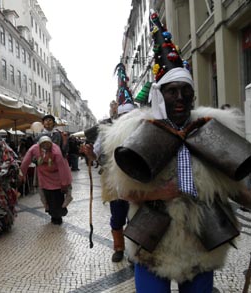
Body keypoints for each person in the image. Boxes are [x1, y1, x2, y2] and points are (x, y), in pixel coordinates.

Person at [100, 10, 251, 292]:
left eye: (185, 91)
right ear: (160, 94)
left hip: (201, 239)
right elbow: (124, 192)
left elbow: (233, 186)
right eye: (172, 91)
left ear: (193, 94)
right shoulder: (136, 133)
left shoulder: (211, 128)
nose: (180, 98)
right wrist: (161, 193)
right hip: (153, 242)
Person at [82, 88, 135, 262]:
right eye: (123, 116)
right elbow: (95, 154)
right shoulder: (105, 132)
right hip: (114, 182)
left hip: (138, 182)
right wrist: (90, 153)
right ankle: (119, 247)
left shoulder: (143, 129)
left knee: (136, 217)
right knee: (118, 216)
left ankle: (136, 252)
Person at [20, 136, 72, 225]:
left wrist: (65, 183)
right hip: (44, 179)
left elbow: (63, 167)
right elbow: (26, 161)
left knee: (57, 199)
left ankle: (57, 217)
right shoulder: (34, 148)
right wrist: (21, 174)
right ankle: (53, 215)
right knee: (48, 198)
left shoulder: (56, 151)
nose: (45, 146)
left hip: (57, 180)